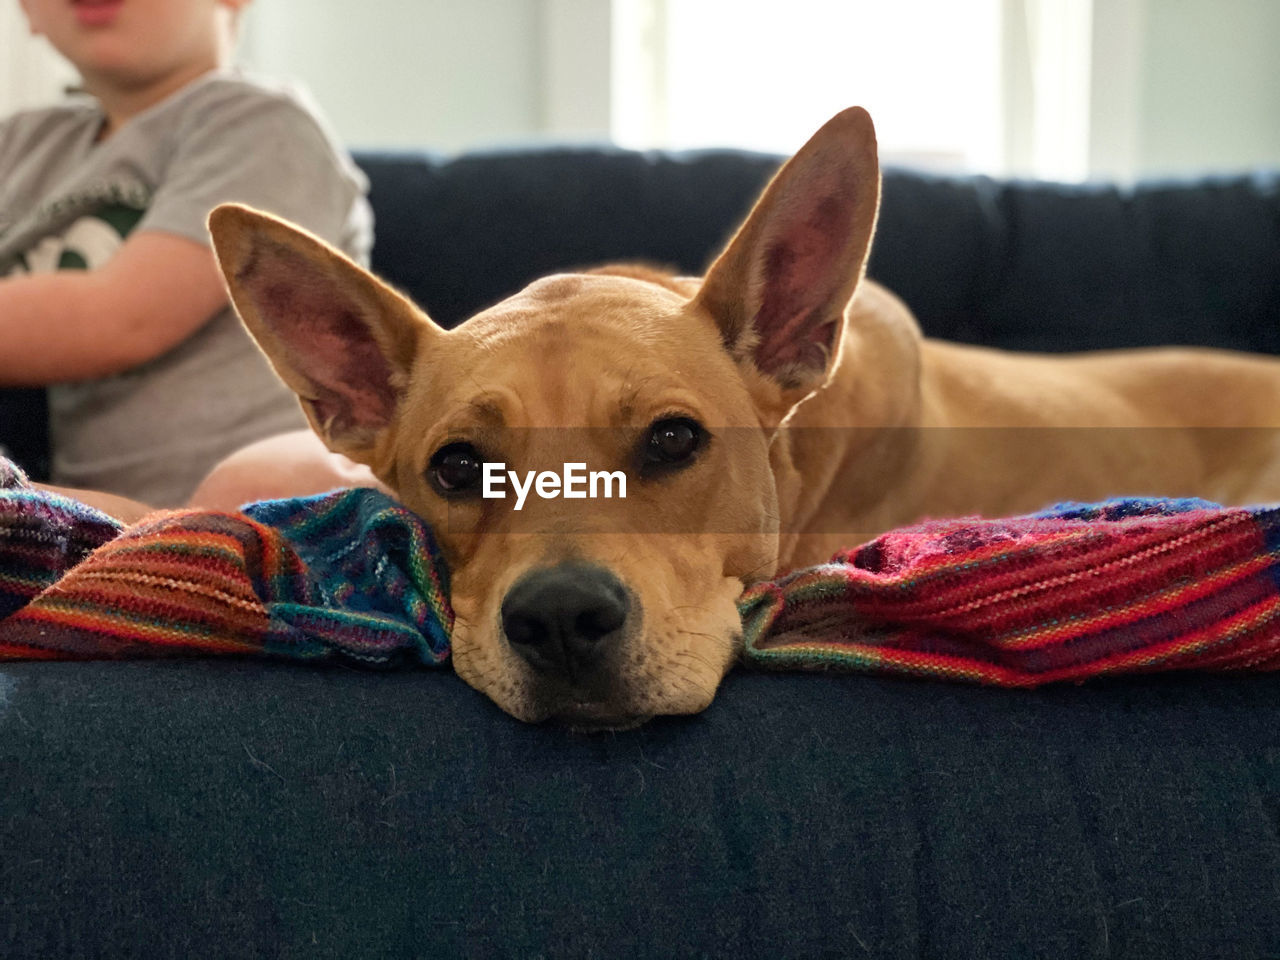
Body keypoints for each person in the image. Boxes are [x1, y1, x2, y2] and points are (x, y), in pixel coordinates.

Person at [0, 0, 375, 511]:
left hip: (273, 503)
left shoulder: (261, 125)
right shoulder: (22, 146)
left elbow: (126, 316)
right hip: (116, 521)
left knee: (261, 480)